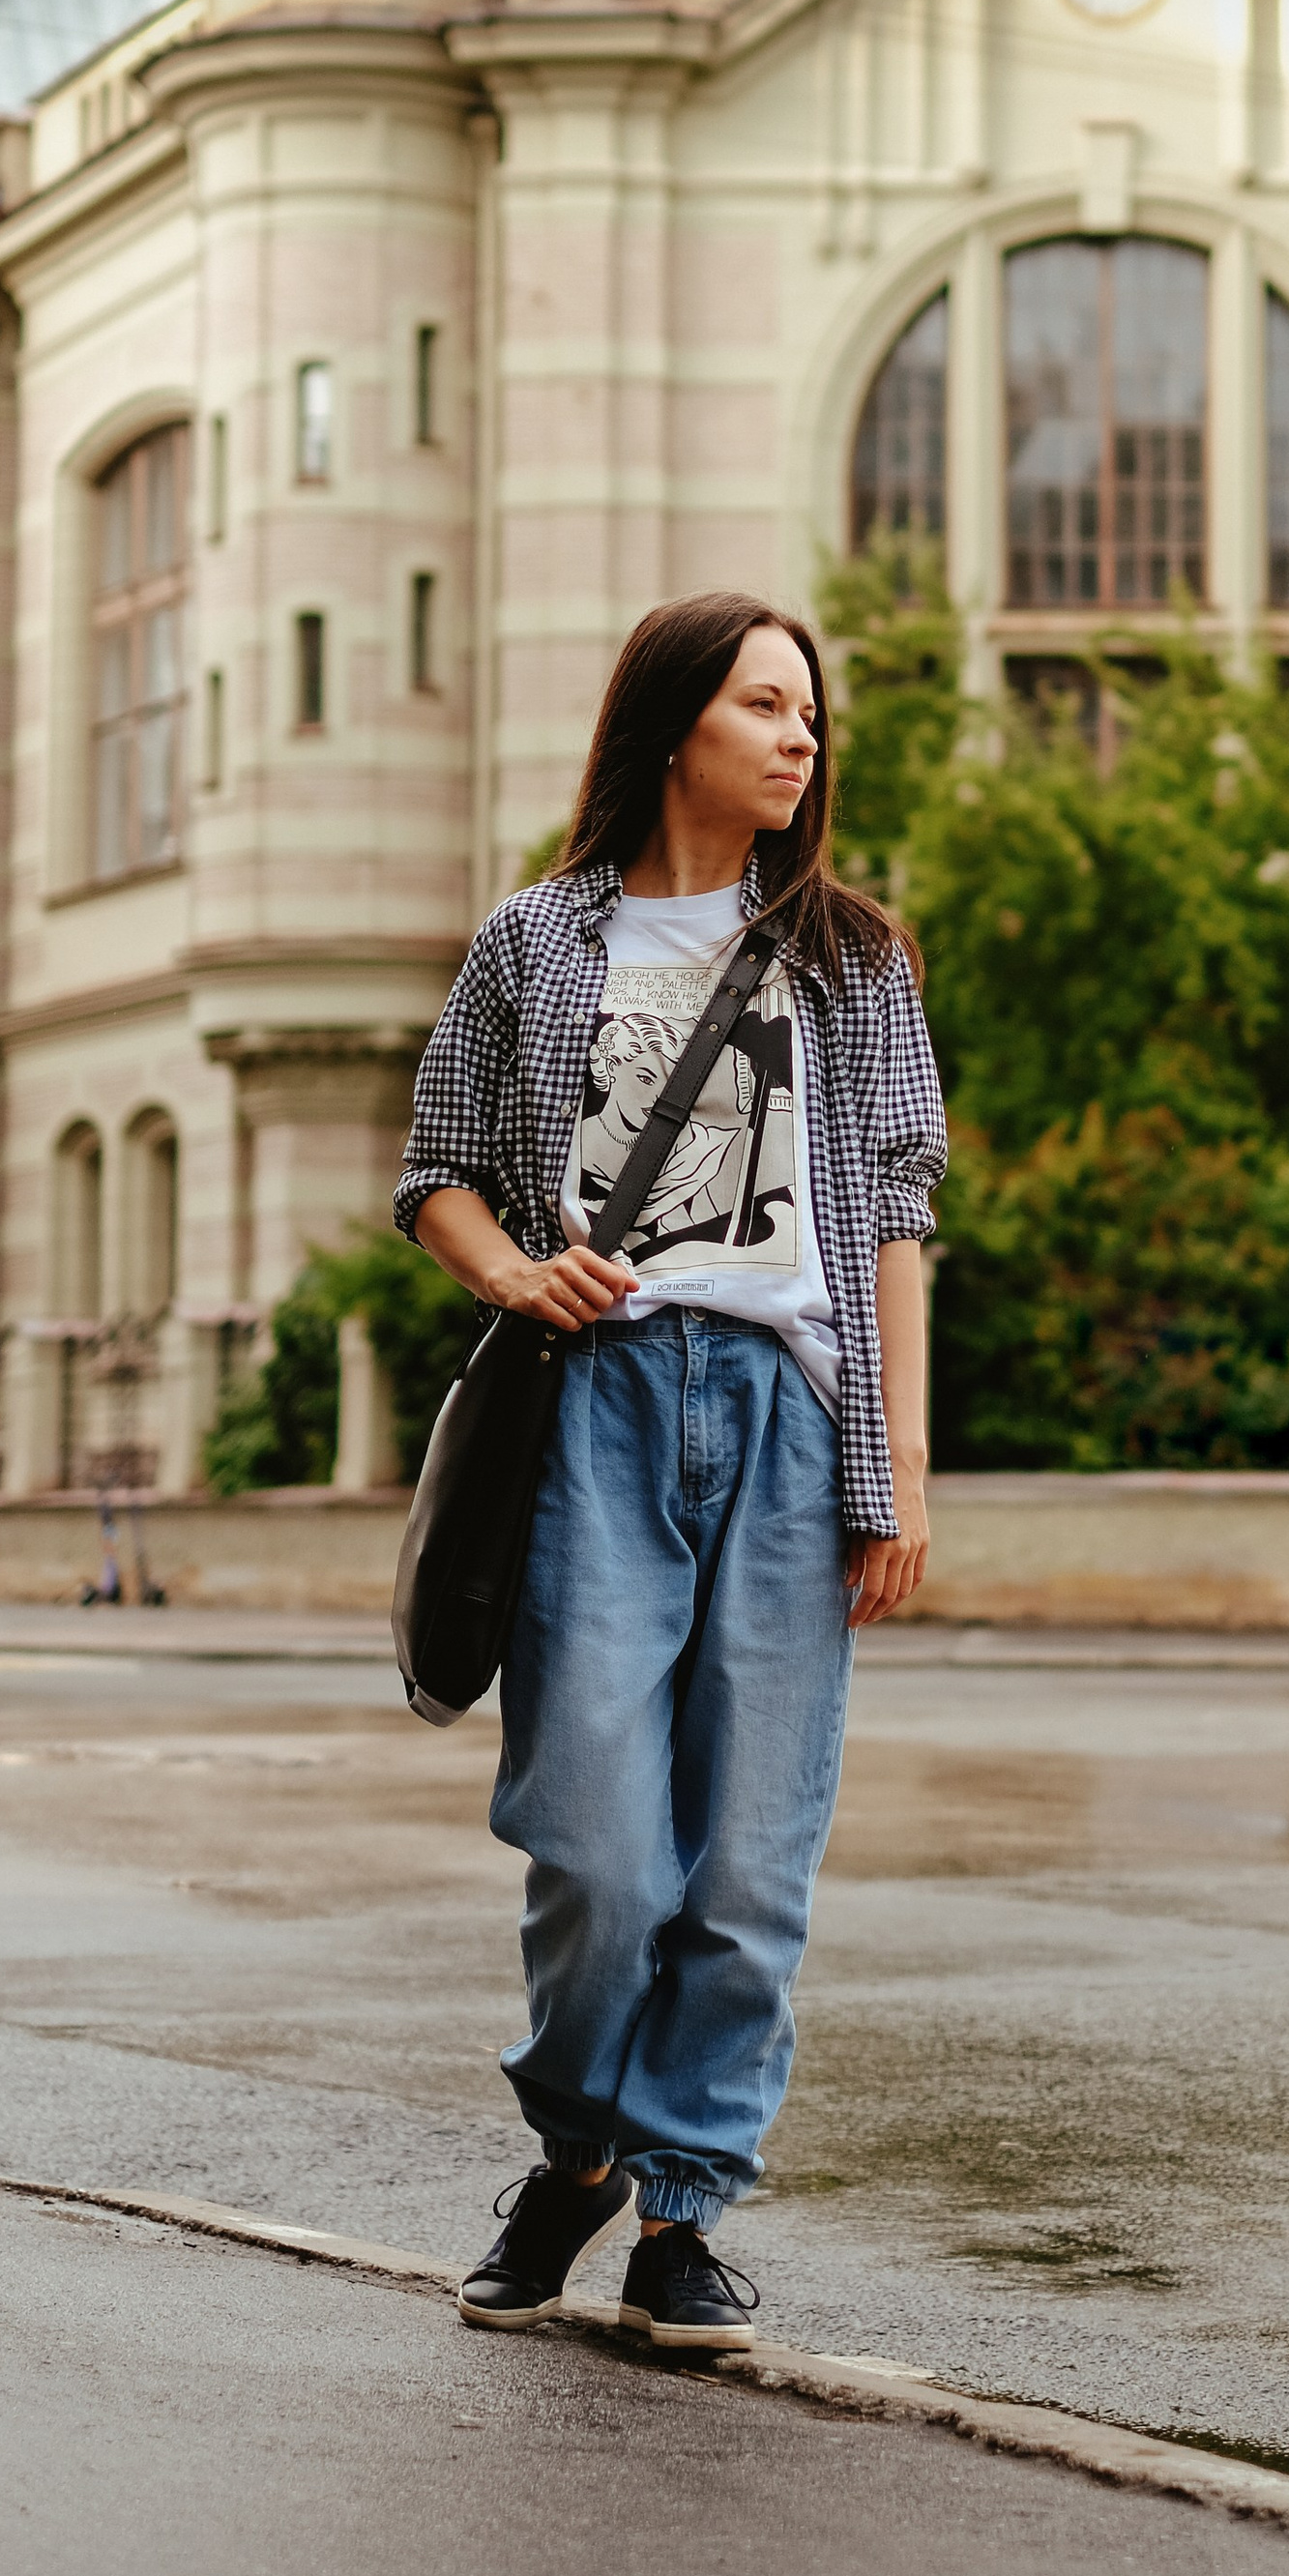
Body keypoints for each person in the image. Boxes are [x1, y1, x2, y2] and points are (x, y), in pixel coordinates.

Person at [394, 592, 946, 2353]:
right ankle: (575, 2152)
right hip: (602, 1412)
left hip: (791, 1418)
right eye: (765, 705)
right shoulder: (538, 945)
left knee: (753, 1860)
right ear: (675, 723)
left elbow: (899, 1218)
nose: (801, 738)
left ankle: (683, 2210)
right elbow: (440, 1173)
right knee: (602, 1846)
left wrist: (902, 1470)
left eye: (811, 715)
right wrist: (510, 1272)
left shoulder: (853, 955)